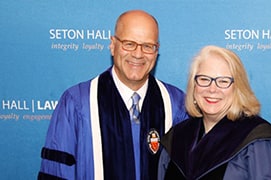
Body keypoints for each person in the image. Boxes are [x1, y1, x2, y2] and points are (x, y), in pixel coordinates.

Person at [38, 10, 188, 180]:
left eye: (148, 46)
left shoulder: (175, 104)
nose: (138, 54)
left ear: (156, 51)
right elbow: (56, 173)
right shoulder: (77, 103)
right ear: (112, 45)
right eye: (129, 44)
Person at [158, 45, 271, 179]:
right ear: (194, 86)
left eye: (223, 81)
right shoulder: (176, 138)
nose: (212, 89)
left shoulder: (256, 143)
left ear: (238, 88)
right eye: (204, 79)